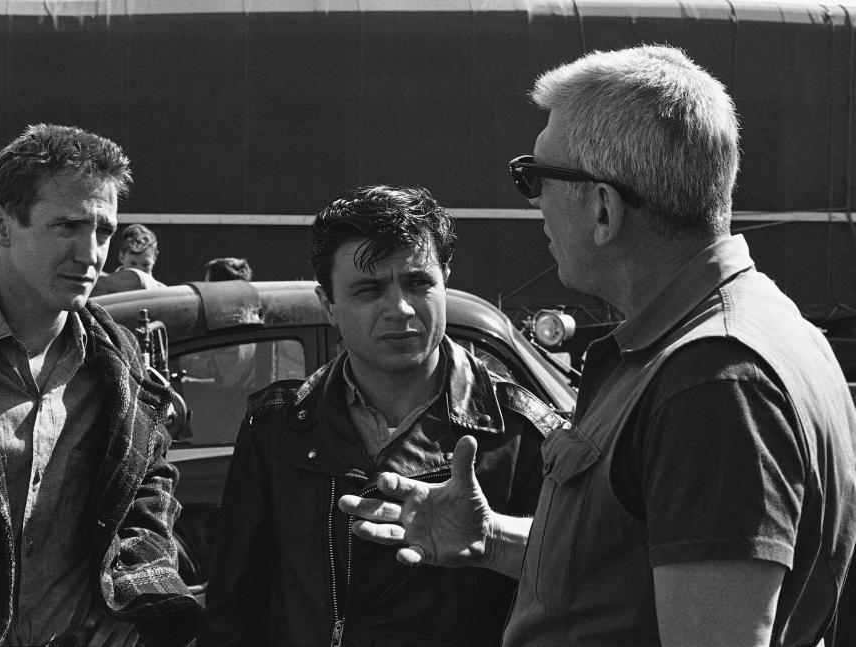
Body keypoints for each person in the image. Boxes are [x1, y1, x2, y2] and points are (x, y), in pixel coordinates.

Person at [340, 46, 856, 647]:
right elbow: (641, 557)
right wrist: (492, 538)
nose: (533, 203)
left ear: (603, 209)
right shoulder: (734, 337)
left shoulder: (714, 379)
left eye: (535, 179)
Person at [197, 185, 566, 646]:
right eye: (369, 290)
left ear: (445, 280)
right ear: (328, 304)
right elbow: (234, 610)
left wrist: (496, 540)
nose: (401, 309)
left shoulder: (523, 431)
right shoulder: (277, 427)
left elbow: (587, 582)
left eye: (418, 282)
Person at [0, 123, 198, 646]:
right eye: (68, 226)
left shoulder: (117, 358)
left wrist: (131, 595)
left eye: (104, 231)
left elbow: (151, 485)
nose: (91, 253)